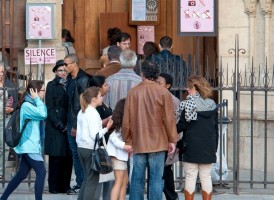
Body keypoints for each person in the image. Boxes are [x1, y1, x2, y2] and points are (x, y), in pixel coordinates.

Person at [122, 61, 179, 200]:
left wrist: (127, 140)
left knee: (137, 178)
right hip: (159, 142)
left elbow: (126, 121)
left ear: (142, 74)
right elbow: (169, 119)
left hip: (139, 141)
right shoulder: (163, 92)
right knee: (156, 178)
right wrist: (172, 139)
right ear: (156, 75)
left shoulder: (133, 92)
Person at [0, 80, 47, 200]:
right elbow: (43, 114)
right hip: (29, 146)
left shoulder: (32, 104)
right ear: (34, 91)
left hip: (30, 145)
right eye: (43, 90)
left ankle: (3, 198)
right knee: (41, 172)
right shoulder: (27, 106)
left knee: (21, 175)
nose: (44, 93)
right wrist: (37, 99)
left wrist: (37, 100)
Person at [176, 76, 218, 200]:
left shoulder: (187, 104)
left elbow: (181, 125)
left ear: (196, 88)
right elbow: (216, 129)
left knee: (190, 177)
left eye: (190, 87)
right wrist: (214, 147)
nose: (187, 90)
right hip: (208, 146)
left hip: (191, 146)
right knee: (206, 177)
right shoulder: (212, 105)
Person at [76, 87, 113, 200]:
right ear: (94, 99)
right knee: (92, 181)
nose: (102, 97)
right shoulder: (92, 113)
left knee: (87, 179)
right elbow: (95, 135)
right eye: (100, 96)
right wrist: (107, 128)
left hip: (82, 148)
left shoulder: (82, 111)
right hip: (90, 149)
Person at [64, 54, 92, 194]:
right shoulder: (69, 79)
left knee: (82, 152)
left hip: (79, 122)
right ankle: (80, 181)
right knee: (75, 153)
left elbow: (83, 104)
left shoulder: (84, 79)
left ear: (75, 63)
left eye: (67, 64)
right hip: (70, 120)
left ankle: (86, 181)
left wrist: (75, 125)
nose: (65, 67)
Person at [44, 60, 73, 194]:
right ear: (55, 71)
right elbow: (49, 107)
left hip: (69, 122)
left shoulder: (71, 84)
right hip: (56, 124)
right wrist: (59, 124)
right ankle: (54, 186)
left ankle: (65, 185)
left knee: (68, 156)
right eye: (60, 70)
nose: (63, 73)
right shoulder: (51, 85)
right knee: (56, 156)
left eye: (65, 70)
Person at [156, 72, 180, 200]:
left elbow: (176, 123)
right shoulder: (154, 97)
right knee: (161, 171)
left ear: (168, 85)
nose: (157, 85)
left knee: (165, 170)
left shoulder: (174, 101)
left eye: (159, 83)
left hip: (167, 141)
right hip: (156, 140)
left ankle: (171, 195)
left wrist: (174, 140)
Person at [89, 75, 114, 200]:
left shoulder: (101, 102)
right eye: (105, 85)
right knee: (101, 175)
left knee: (107, 176)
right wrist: (109, 120)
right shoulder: (95, 105)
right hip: (101, 143)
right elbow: (97, 125)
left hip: (106, 140)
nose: (107, 87)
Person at [106, 99, 132, 200]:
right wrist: (124, 146)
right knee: (119, 182)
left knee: (124, 181)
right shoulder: (120, 125)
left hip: (120, 157)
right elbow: (113, 138)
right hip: (117, 157)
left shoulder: (119, 123)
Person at [0, 63, 18, 178]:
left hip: (5, 119)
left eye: (2, 72)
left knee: (5, 146)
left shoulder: (9, 85)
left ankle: (0, 172)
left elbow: (15, 102)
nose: (1, 74)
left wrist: (11, 109)